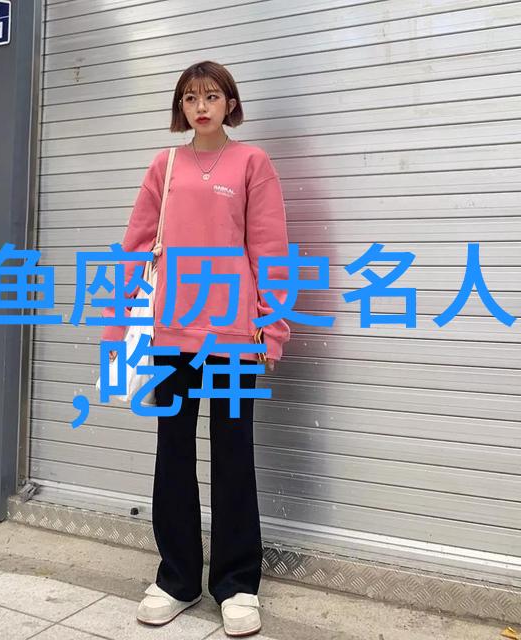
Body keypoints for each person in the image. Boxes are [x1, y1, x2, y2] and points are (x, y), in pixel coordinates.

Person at [100, 60, 291, 637]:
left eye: (211, 95)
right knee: (173, 455)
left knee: (234, 458)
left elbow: (269, 249)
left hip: (233, 337)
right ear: (180, 108)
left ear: (230, 103)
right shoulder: (166, 165)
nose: (200, 106)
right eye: (189, 97)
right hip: (171, 334)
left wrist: (272, 327)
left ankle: (237, 584)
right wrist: (115, 325)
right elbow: (136, 244)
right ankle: (177, 579)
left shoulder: (252, 162)